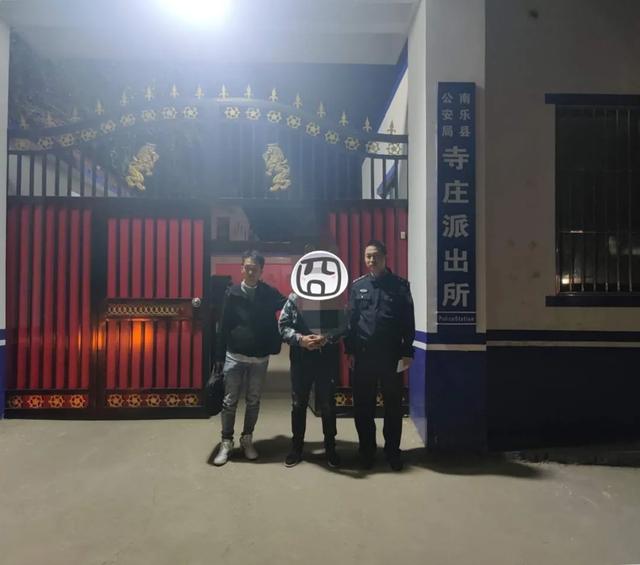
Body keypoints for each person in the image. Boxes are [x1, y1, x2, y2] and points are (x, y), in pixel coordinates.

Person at [345, 240, 415, 471]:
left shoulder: (400, 286)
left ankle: (393, 452)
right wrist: (350, 350)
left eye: (375, 255)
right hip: (364, 356)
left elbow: (408, 321)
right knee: (363, 407)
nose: (371, 260)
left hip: (391, 356)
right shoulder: (358, 286)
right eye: (368, 256)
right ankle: (366, 452)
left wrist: (407, 352)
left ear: (385, 257)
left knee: (393, 407)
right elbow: (351, 321)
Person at [213, 250, 286, 466]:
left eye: (255, 268)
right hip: (234, 355)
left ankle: (247, 439)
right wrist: (219, 356)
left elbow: (287, 304)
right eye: (247, 268)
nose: (251, 271)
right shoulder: (232, 293)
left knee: (253, 401)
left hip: (259, 358)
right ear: (241, 269)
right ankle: (226, 442)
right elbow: (223, 325)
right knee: (229, 401)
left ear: (261, 270)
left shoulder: (269, 293)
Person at [278, 291, 344, 468]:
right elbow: (283, 325)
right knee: (298, 404)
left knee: (328, 405)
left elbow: (345, 325)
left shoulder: (334, 295)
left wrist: (327, 338)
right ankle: (296, 448)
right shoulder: (295, 297)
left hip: (327, 358)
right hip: (301, 359)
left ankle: (330, 448)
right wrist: (300, 339)